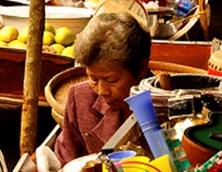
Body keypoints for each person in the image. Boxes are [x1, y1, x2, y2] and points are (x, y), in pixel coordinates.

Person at [54, 11, 151, 163]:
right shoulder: (80, 98)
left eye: (112, 80)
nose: (101, 91)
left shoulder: (164, 102)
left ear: (141, 69)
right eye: (93, 79)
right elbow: (66, 161)